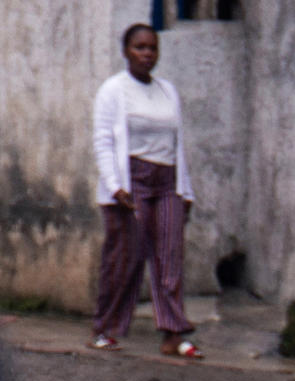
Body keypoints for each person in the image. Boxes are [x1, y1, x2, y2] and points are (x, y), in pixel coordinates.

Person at [91, 24, 202, 359]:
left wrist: (185, 190)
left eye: (152, 48)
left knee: (169, 260)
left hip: (166, 182)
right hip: (131, 182)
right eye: (139, 47)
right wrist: (115, 186)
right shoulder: (113, 90)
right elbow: (103, 141)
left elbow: (177, 144)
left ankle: (173, 334)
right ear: (125, 51)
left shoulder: (168, 91)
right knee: (124, 259)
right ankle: (104, 329)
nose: (147, 54)